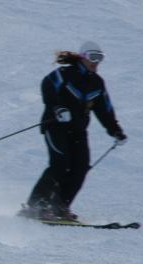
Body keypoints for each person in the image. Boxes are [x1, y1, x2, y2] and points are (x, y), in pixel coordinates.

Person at [24, 41, 127, 221]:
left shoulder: (97, 83)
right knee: (60, 164)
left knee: (81, 167)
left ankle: (60, 206)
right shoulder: (65, 74)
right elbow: (47, 84)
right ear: (82, 57)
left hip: (78, 131)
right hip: (56, 126)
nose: (96, 62)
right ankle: (36, 205)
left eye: (100, 58)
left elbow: (105, 110)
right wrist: (58, 109)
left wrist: (115, 130)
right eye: (93, 57)